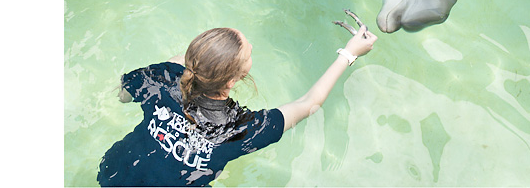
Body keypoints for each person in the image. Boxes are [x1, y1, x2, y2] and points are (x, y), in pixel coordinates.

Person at [97, 21, 377, 186]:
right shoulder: (241, 129)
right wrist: (349, 54)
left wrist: (186, 61)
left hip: (114, 170)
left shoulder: (161, 79)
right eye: (249, 52)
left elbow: (122, 93)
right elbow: (310, 103)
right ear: (233, 81)